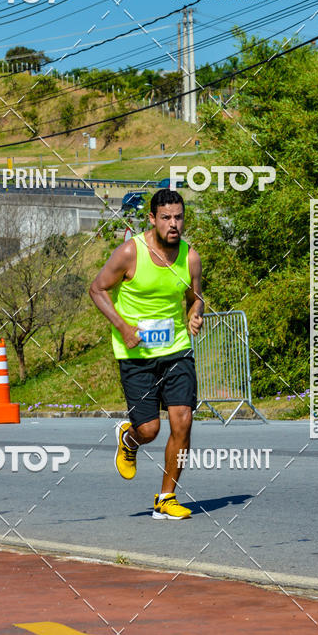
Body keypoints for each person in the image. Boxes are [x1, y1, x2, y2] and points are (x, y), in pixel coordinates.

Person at [89, 189, 203, 519]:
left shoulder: (190, 257)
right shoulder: (129, 252)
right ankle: (130, 439)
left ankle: (166, 498)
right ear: (152, 219)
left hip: (177, 350)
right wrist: (123, 327)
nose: (173, 224)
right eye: (166, 217)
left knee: (183, 421)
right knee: (150, 429)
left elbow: (196, 297)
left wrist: (196, 313)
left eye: (179, 217)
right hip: (136, 354)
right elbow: (96, 289)